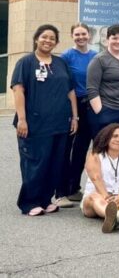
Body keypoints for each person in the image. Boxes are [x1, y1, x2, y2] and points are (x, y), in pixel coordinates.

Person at [12, 24, 78, 216]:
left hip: (59, 124)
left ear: (56, 43)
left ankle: (45, 199)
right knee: (35, 162)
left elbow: (70, 91)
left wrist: (75, 117)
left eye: (52, 38)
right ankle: (29, 202)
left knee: (54, 163)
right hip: (34, 124)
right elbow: (18, 90)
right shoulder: (25, 63)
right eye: (44, 37)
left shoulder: (60, 63)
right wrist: (22, 120)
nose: (48, 41)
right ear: (36, 39)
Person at [57, 23, 97, 206]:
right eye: (77, 34)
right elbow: (64, 84)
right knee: (70, 148)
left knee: (84, 148)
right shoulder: (66, 57)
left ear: (89, 35)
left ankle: (76, 188)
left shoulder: (95, 56)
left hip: (93, 105)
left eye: (83, 34)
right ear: (72, 36)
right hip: (75, 105)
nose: (81, 37)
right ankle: (64, 189)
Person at [81, 123, 119, 233]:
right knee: (94, 198)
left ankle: (113, 216)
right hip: (97, 196)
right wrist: (106, 197)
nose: (118, 139)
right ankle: (116, 215)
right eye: (114, 136)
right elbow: (96, 178)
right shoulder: (94, 155)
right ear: (107, 137)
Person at [87, 24, 119, 137]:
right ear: (108, 39)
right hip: (107, 110)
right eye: (114, 38)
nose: (118, 41)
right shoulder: (99, 60)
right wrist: (100, 112)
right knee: (103, 148)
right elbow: (92, 89)